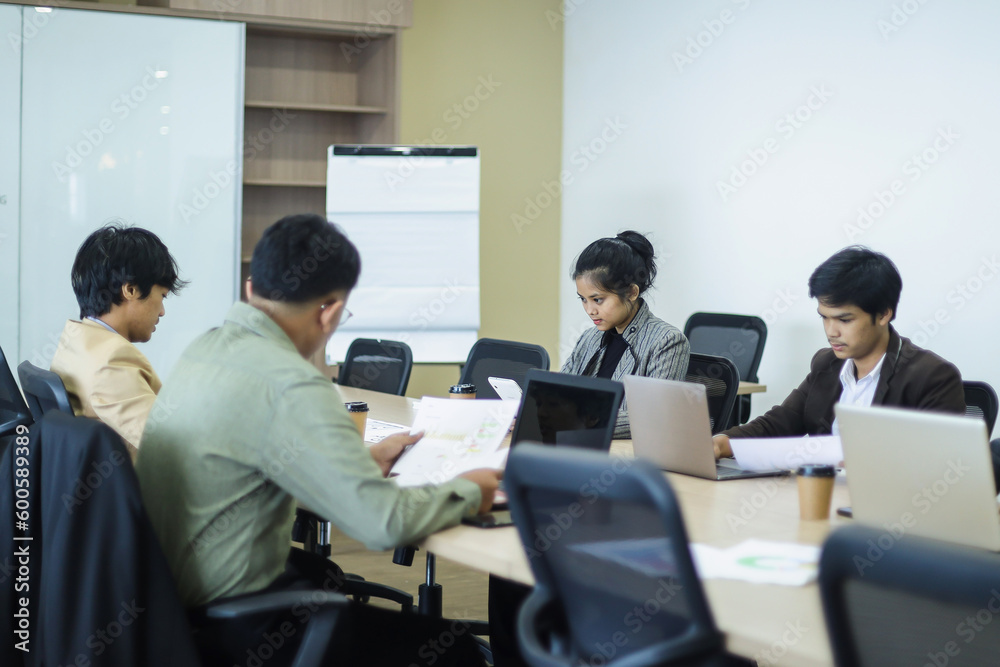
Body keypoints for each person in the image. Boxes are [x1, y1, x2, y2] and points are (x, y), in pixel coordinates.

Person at [135, 213, 499, 665]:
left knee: (328, 580)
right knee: (455, 651)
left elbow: (260, 452)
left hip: (171, 612)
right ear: (328, 312)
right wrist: (472, 488)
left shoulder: (203, 351)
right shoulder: (291, 383)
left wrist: (361, 462)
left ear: (251, 289)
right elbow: (380, 524)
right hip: (237, 628)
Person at [713, 246, 965, 460]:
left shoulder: (932, 377)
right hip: (824, 500)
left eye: (844, 320)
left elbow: (939, 469)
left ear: (883, 314)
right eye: (824, 318)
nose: (831, 331)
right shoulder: (827, 364)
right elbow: (778, 424)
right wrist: (721, 443)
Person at [50, 223, 186, 458]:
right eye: (161, 296)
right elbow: (171, 442)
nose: (162, 311)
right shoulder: (112, 361)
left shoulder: (75, 341)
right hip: (134, 490)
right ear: (130, 290)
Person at [561, 230, 690, 439]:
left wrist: (582, 422)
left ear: (631, 292)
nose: (589, 310)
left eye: (598, 299)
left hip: (624, 455)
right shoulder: (589, 338)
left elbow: (656, 417)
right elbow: (559, 391)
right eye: (583, 299)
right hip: (580, 443)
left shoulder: (667, 342)